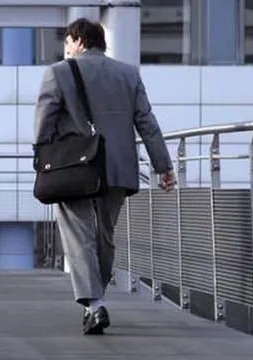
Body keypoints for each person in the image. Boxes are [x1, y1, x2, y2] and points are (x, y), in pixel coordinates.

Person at [33, 18, 174, 335]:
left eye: (67, 43)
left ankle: (94, 304)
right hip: (117, 168)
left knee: (78, 233)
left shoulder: (58, 73)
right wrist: (163, 166)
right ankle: (97, 301)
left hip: (75, 168)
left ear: (76, 40)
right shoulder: (128, 74)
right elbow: (146, 123)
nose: (65, 49)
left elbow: (43, 123)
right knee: (105, 236)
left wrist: (42, 158)